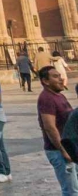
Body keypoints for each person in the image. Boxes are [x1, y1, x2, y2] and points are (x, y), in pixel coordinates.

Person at [40, 65, 78, 195]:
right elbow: (50, 127)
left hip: (70, 149)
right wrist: (64, 151)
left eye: (60, 76)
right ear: (45, 81)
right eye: (56, 77)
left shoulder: (59, 96)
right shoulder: (46, 98)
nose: (61, 79)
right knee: (71, 191)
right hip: (58, 151)